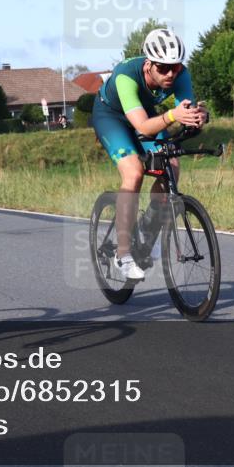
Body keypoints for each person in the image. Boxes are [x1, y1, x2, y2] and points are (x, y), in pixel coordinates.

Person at [91, 28, 207, 280]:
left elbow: (185, 111)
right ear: (148, 65)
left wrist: (198, 118)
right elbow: (143, 127)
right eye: (163, 68)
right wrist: (173, 116)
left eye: (175, 68)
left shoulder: (180, 75)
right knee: (133, 173)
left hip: (145, 114)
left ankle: (146, 230)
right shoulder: (126, 76)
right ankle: (123, 253)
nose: (170, 74)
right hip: (112, 117)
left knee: (171, 166)